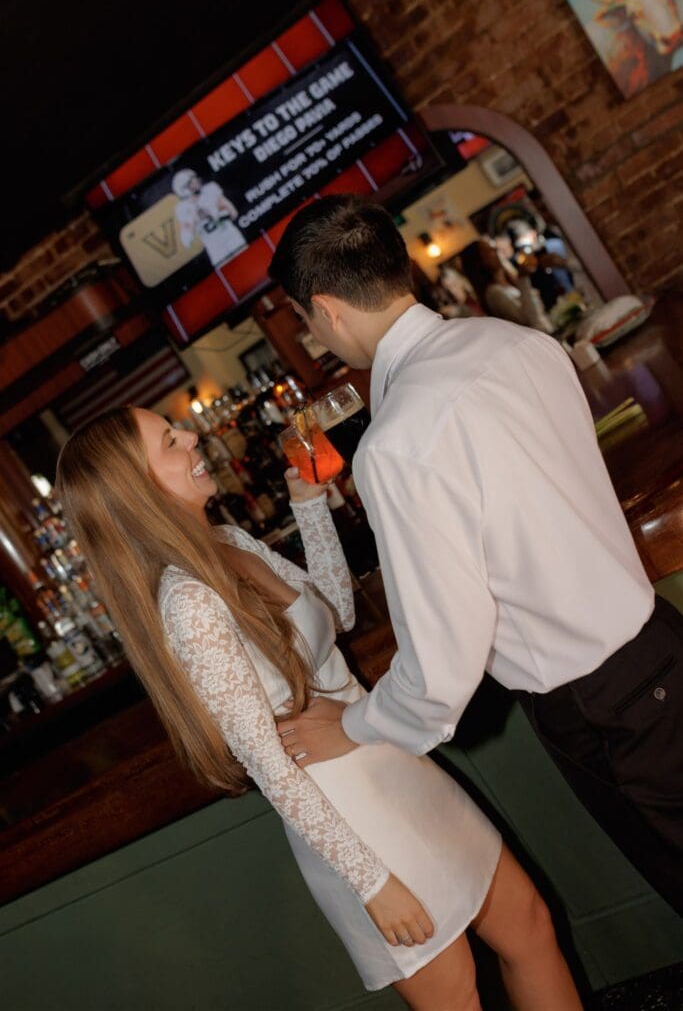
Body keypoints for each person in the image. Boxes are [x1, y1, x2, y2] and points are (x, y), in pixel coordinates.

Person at [55, 407, 582, 1011]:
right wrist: (373, 883)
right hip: (345, 813)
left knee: (531, 927)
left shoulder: (226, 540)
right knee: (456, 999)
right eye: (170, 442)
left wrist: (308, 504)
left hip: (383, 756)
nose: (193, 437)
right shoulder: (187, 601)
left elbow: (335, 613)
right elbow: (267, 764)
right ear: (136, 488)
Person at [268, 194, 683, 917]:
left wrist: (353, 726)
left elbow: (439, 671)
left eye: (305, 322)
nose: (315, 337)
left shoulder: (394, 445)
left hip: (602, 709)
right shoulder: (517, 341)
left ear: (328, 309)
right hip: (662, 644)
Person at [458, 239, 553, 332]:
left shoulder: (506, 282)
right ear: (479, 262)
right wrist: (523, 279)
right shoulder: (493, 293)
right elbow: (529, 320)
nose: (495, 250)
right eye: (488, 251)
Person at [172, 169, 246, 267]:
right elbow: (186, 242)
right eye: (191, 181)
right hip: (214, 247)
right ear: (184, 189)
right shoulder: (182, 208)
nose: (196, 180)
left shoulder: (210, 189)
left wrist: (212, 214)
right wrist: (194, 220)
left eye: (194, 178)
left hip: (230, 236)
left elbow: (233, 213)